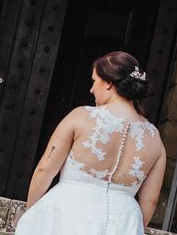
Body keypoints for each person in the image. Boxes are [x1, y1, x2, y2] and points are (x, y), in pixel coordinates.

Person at [16, 51, 166, 235]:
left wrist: (31, 214)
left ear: (109, 83)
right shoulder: (155, 138)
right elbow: (150, 200)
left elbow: (45, 169)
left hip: (71, 211)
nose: (91, 89)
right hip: (124, 220)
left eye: (94, 81)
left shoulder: (81, 117)